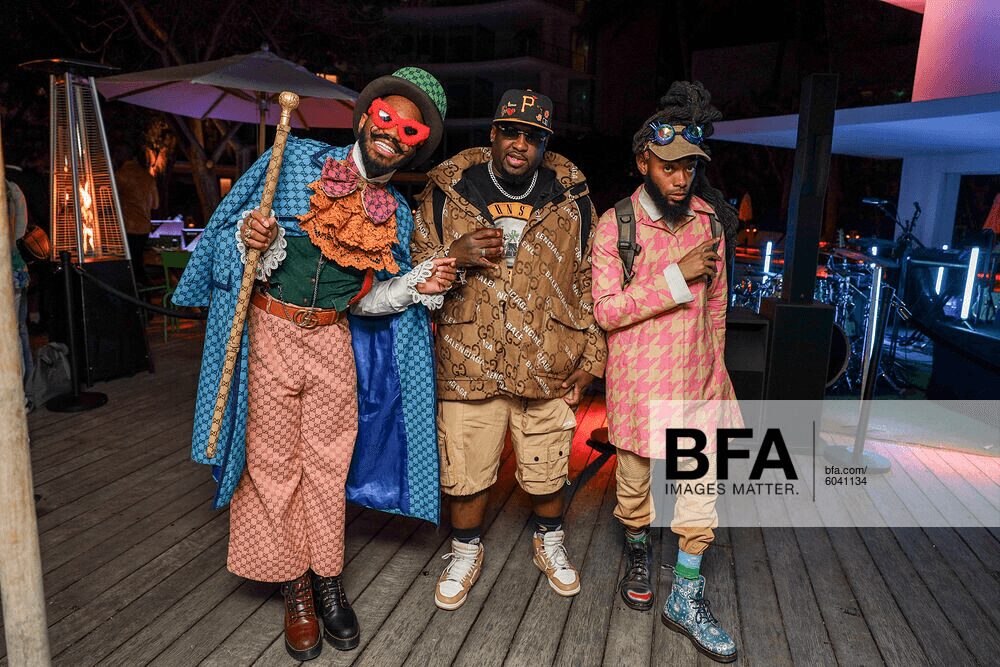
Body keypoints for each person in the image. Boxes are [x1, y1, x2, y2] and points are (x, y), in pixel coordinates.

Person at [172, 68, 455, 660]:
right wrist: (251, 239)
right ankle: (295, 588)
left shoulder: (397, 214)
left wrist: (414, 285)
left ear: (417, 145)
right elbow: (224, 243)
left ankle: (328, 579)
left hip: (333, 341)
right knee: (273, 465)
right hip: (269, 332)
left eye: (410, 130)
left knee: (328, 466)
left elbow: (367, 302)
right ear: (365, 117)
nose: (393, 134)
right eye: (386, 118)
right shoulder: (293, 161)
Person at [412, 89, 607, 610]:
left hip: (548, 358)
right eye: (511, 132)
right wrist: (453, 254)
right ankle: (465, 551)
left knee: (549, 464)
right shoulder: (447, 191)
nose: (521, 144)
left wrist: (592, 359)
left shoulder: (572, 198)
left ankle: (550, 541)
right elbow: (411, 269)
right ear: (493, 134)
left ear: (545, 144)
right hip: (467, 356)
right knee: (465, 467)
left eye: (534, 136)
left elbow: (592, 279)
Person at [591, 81, 740, 663]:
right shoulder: (617, 225)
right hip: (639, 386)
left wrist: (715, 368)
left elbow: (718, 307)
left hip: (700, 384)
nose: (681, 178)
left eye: (690, 167)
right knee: (634, 489)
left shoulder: (710, 222)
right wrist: (677, 275)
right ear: (643, 162)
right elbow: (607, 311)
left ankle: (687, 593)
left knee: (700, 496)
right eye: (669, 166)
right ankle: (637, 549)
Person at [114, 144, 159, 285]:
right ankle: (143, 287)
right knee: (137, 260)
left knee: (129, 263)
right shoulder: (148, 177)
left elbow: (111, 201)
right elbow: (155, 204)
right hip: (144, 228)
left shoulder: (120, 176)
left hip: (127, 227)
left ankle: (135, 288)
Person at [7, 179, 32, 406]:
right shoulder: (12, 188)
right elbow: (20, 232)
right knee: (17, 331)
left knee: (12, 334)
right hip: (16, 267)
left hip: (9, 270)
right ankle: (24, 392)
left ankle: (19, 396)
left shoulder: (10, 190)